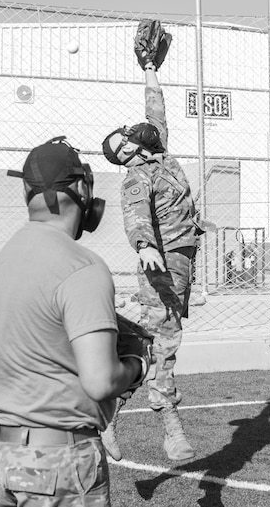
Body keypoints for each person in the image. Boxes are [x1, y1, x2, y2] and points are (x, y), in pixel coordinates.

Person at [0, 136, 149, 506]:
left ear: (27, 191)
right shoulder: (83, 266)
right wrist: (137, 366)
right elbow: (101, 380)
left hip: (2, 453)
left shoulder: (7, 257)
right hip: (57, 460)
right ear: (82, 188)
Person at [101, 26, 204, 462]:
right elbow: (136, 215)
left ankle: (109, 410)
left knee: (153, 339)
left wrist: (149, 68)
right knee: (166, 339)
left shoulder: (159, 153)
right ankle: (170, 427)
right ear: (125, 153)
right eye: (121, 139)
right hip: (159, 266)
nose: (131, 132)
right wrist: (144, 246)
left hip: (181, 260)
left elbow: (155, 110)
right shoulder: (137, 177)